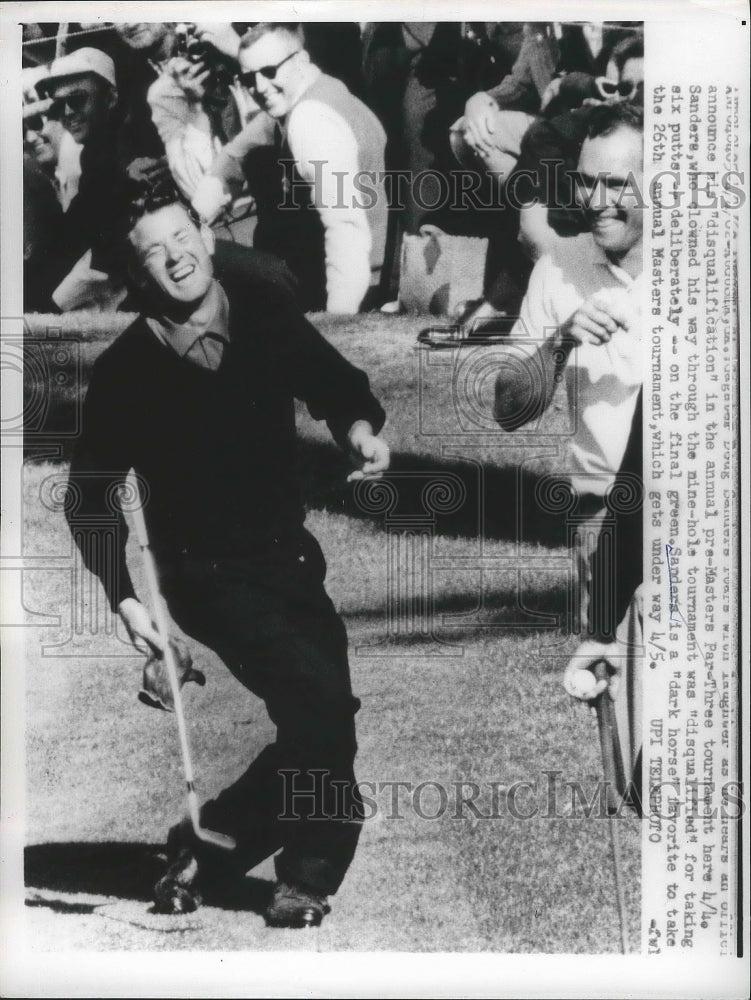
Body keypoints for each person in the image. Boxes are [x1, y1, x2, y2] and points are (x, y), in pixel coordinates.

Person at [65, 183, 390, 928]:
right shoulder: (126, 370)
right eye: (153, 251)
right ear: (137, 271)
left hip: (291, 561)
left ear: (206, 235)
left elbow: (337, 386)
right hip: (203, 575)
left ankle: (209, 845)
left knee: (326, 718)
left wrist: (360, 430)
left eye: (182, 236)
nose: (175, 258)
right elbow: (89, 496)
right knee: (315, 702)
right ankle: (306, 875)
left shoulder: (267, 320)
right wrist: (127, 598)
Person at [494, 102, 643, 629]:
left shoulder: (709, 269)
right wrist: (558, 345)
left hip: (694, 519)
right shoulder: (558, 265)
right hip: (597, 517)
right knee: (606, 696)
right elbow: (508, 410)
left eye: (616, 184)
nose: (595, 202)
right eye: (585, 183)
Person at [192, 23, 388, 314]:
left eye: (270, 71)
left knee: (212, 256)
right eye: (248, 78)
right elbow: (234, 155)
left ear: (301, 61)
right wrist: (194, 218)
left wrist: (339, 319)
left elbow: (346, 226)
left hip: (356, 283)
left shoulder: (311, 118)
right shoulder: (312, 92)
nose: (259, 87)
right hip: (355, 271)